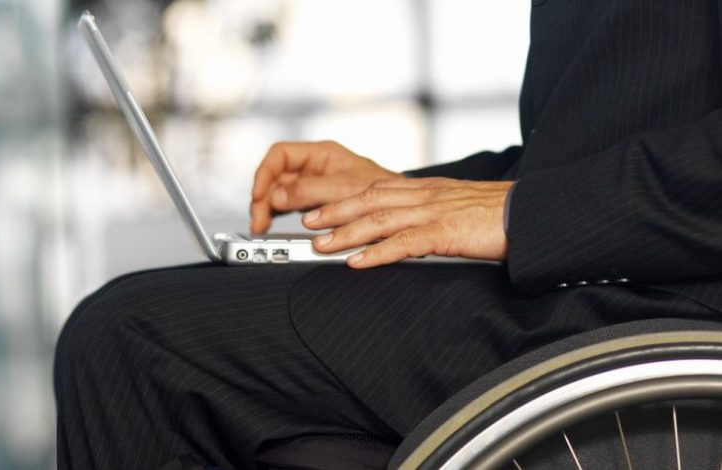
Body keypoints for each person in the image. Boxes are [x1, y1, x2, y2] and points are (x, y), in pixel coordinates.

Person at [54, 1, 722, 469]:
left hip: (649, 303)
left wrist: (520, 213)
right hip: (594, 278)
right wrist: (396, 191)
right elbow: (605, 138)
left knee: (130, 344)